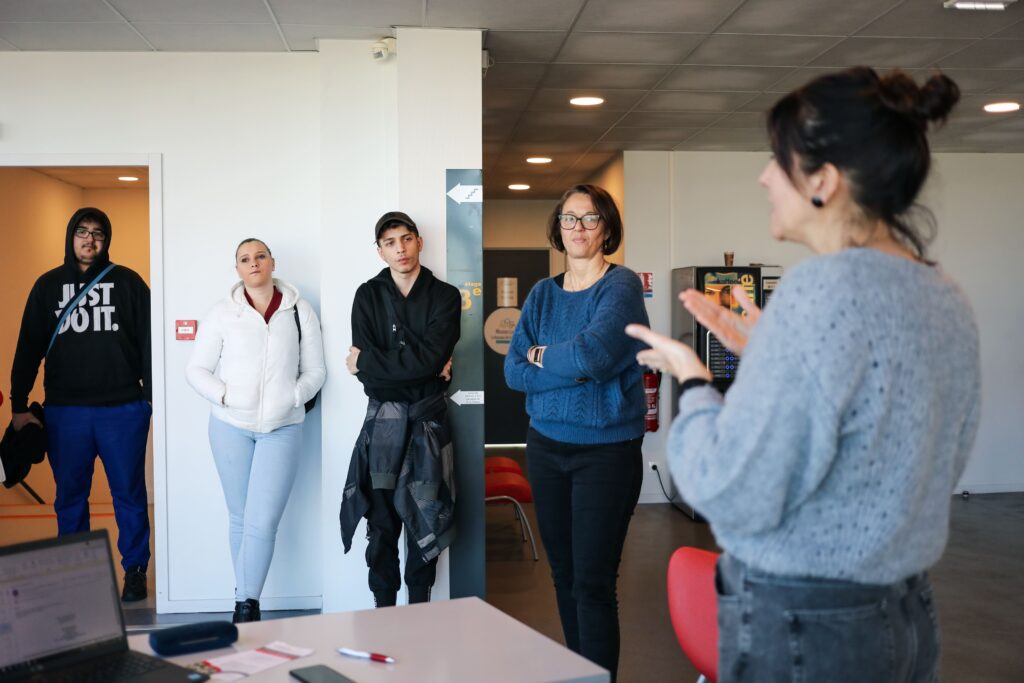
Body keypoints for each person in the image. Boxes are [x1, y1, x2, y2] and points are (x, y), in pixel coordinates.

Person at [627, 67, 980, 682]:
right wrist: (770, 348)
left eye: (776, 159)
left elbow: (730, 489)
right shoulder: (942, 292)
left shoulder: (821, 291)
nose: (765, 175)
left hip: (809, 626)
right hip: (906, 615)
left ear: (823, 181)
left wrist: (694, 383)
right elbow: (896, 444)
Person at [504, 185, 649, 680]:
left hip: (606, 453)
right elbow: (512, 371)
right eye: (570, 219)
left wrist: (543, 355)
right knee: (563, 576)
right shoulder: (543, 294)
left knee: (591, 581)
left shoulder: (621, 287)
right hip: (545, 448)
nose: (579, 229)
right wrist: (567, 363)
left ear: (606, 227)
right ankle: (579, 673)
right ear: (558, 228)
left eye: (590, 219)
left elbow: (595, 355)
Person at [10, 207, 152, 601]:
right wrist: (18, 404)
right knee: (70, 496)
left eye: (98, 233)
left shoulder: (128, 283)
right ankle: (77, 574)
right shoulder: (48, 286)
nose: (90, 240)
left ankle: (135, 570)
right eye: (82, 232)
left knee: (129, 494)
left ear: (107, 240)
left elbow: (149, 343)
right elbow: (28, 348)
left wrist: (150, 399)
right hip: (64, 412)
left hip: (123, 409)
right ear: (71, 236)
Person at [186, 238, 325, 623]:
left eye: (260, 256)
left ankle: (246, 601)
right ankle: (247, 602)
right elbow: (195, 369)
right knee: (239, 516)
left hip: (282, 427)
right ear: (237, 269)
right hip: (229, 426)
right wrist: (225, 395)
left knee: (262, 520)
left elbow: (316, 370)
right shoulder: (222, 313)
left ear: (272, 262)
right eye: (245, 259)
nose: (253, 263)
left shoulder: (299, 310)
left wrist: (293, 396)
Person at [339, 211, 461, 608]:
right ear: (380, 251)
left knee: (425, 512)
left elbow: (424, 360)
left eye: (406, 239)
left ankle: (420, 609)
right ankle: (384, 610)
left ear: (419, 242)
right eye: (390, 243)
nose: (400, 249)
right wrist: (416, 367)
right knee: (382, 520)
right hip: (384, 426)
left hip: (428, 421)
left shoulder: (444, 296)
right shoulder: (367, 295)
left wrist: (371, 362)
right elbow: (370, 380)